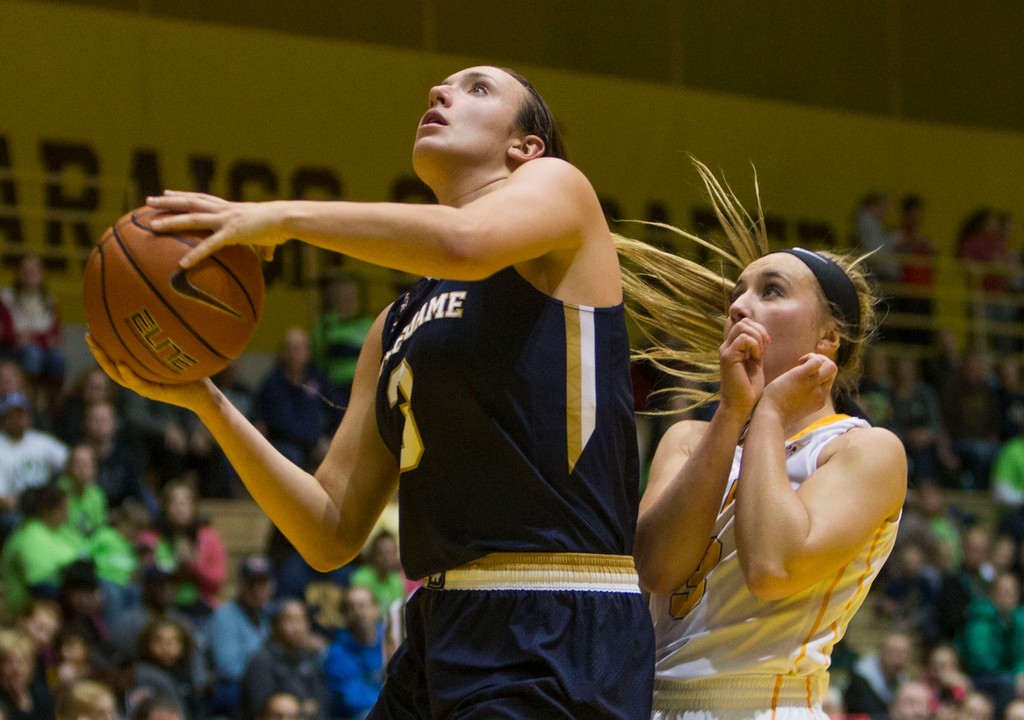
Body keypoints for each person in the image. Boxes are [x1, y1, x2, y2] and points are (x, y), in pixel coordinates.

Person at [89, 65, 653, 718]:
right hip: (441, 626)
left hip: (556, 617)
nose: (440, 94)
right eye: (440, 87)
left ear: (525, 148)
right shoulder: (397, 322)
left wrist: (283, 215)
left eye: (476, 89)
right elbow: (329, 530)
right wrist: (205, 401)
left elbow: (467, 244)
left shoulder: (561, 190)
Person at [620, 160, 906, 718]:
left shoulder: (863, 449)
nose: (738, 305)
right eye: (739, 291)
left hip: (766, 705)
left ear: (829, 338)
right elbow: (656, 569)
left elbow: (772, 570)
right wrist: (734, 413)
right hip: (650, 704)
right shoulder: (688, 438)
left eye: (770, 291)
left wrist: (770, 414)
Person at [239, 599, 326, 720]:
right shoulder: (261, 661)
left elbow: (321, 703)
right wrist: (301, 709)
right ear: (274, 626)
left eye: (301, 620)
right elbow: (261, 709)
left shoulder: (309, 658)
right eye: (290, 621)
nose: (297, 628)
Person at [323, 586, 384, 720]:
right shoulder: (337, 653)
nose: (358, 612)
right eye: (352, 608)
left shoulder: (390, 641)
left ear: (376, 609)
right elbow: (353, 700)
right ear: (344, 615)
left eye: (363, 606)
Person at [844, 632, 914, 720]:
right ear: (881, 652)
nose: (899, 658)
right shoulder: (860, 678)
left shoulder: (902, 678)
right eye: (894, 652)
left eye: (904, 653)